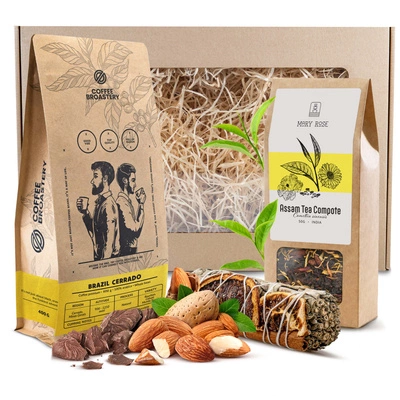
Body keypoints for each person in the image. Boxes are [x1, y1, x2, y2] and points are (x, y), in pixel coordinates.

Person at [76, 161, 120, 260]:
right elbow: (95, 234)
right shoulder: (101, 203)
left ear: (105, 179)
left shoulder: (108, 205)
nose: (92, 181)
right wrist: (85, 213)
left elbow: (108, 247)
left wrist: (101, 265)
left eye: (95, 176)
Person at [116, 163, 146, 256]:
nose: (135, 184)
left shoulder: (126, 202)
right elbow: (135, 230)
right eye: (133, 180)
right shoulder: (122, 203)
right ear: (125, 180)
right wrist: (141, 204)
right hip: (127, 251)